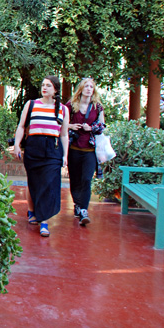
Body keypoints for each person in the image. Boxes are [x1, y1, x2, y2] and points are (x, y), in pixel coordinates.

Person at [13, 76, 69, 237]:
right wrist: (17, 144)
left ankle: (44, 220)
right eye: (43, 85)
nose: (44, 88)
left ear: (55, 90)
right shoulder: (31, 104)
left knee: (49, 184)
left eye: (48, 86)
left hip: (52, 149)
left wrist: (65, 155)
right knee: (35, 182)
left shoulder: (63, 109)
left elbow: (64, 135)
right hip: (34, 147)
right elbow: (21, 126)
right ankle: (32, 211)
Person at [66, 78, 105, 226]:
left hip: (90, 149)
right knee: (75, 179)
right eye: (86, 86)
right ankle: (77, 203)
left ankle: (83, 210)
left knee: (87, 179)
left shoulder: (98, 107)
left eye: (91, 86)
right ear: (81, 89)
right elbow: (62, 123)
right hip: (74, 148)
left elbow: (102, 126)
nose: (89, 89)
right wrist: (71, 126)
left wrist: (92, 128)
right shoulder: (71, 105)